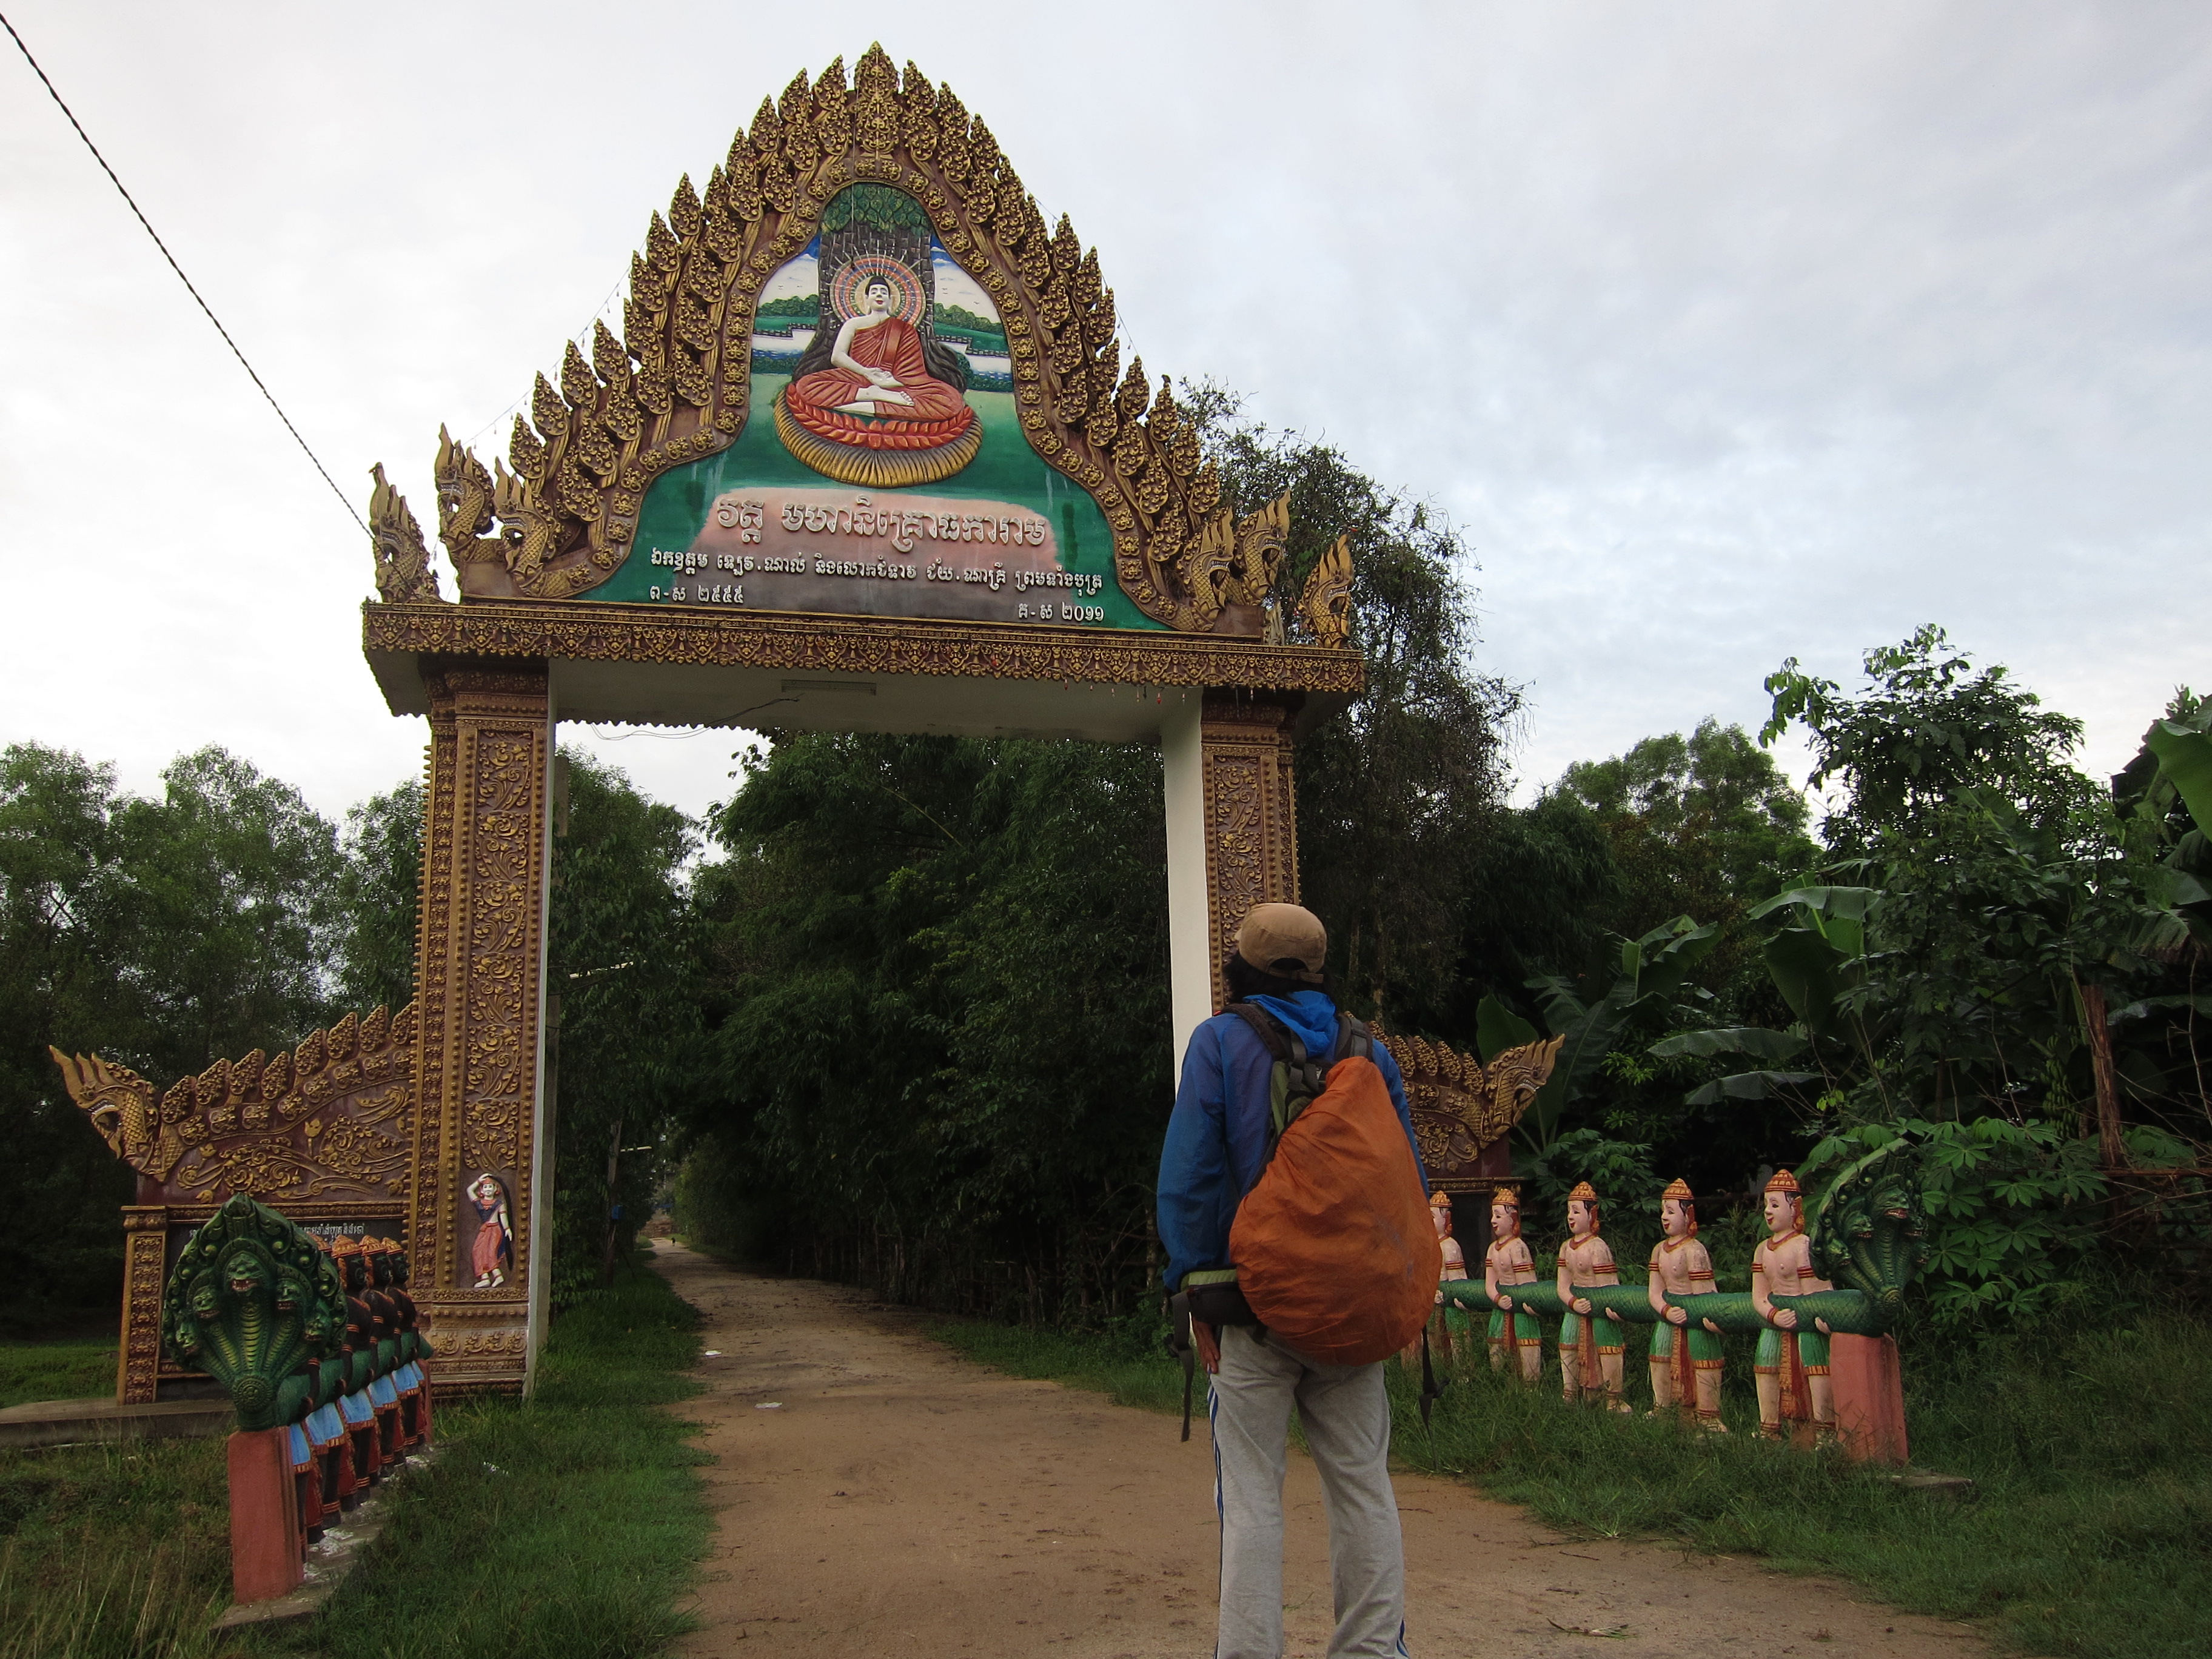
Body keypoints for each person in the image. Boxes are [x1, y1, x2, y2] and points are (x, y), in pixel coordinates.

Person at [1157, 902, 1423, 1659]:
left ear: (1243, 969)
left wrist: (1191, 1292)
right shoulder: (1371, 1053)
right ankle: (1373, 1652)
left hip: (1249, 1310)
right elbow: (1405, 1182)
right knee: (1363, 1487)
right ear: (1317, 968)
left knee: (1249, 1499)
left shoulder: (1220, 1042)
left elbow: (1191, 1180)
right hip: (1349, 1316)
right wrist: (1390, 1294)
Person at [786, 273, 976, 446]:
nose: (879, 295)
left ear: (891, 300)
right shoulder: (853, 324)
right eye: (874, 291)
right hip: (856, 376)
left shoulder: (904, 329)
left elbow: (912, 372)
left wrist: (890, 382)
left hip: (895, 384)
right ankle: (871, 396)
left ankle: (868, 401)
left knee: (951, 401)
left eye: (884, 292)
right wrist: (866, 372)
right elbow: (838, 357)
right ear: (866, 298)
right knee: (807, 386)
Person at [1751, 1169, 1835, 1441]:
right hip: (1775, 1318)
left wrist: (1818, 1318)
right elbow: (1759, 1296)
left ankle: (1823, 1432)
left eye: (1775, 1205)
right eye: (1766, 1205)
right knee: (1765, 1363)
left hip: (1806, 1319)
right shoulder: (1763, 1249)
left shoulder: (1802, 1246)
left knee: (1815, 1368)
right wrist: (1773, 1315)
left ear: (1794, 1207)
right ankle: (1769, 1428)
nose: (1768, 1212)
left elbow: (1816, 1292)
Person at [1645, 1178, 1725, 1430]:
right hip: (1669, 1315)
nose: (1664, 1217)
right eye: (1663, 1211)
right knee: (1659, 1357)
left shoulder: (1695, 1250)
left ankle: (1708, 1416)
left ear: (1688, 1214)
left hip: (1695, 1317)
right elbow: (1654, 1292)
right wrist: (1666, 1310)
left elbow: (1704, 1294)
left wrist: (1707, 1317)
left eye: (1671, 1211)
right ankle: (1663, 1408)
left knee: (1702, 1363)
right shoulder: (1659, 1250)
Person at [1555, 1181, 1629, 1412]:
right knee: (1568, 1342)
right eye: (1569, 1211)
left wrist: (1605, 1307)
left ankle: (1613, 1398)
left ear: (1592, 1214)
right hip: (1575, 1307)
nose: (1570, 1217)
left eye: (1576, 1211)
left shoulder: (1598, 1247)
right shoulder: (1566, 1247)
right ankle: (1570, 1394)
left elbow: (1609, 1286)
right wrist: (1572, 1302)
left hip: (1600, 1309)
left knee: (1606, 1348)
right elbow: (1562, 1286)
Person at [1481, 1185, 1543, 1384]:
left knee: (1526, 1347)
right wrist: (1498, 1298)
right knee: (1497, 1348)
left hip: (1520, 1308)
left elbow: (1527, 1285)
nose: (1493, 1221)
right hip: (1502, 1307)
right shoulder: (1493, 1249)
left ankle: (1530, 1387)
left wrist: (1523, 1303)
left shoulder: (1518, 1247)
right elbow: (1490, 1283)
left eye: (1498, 1216)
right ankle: (1502, 1385)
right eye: (1493, 1216)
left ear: (1513, 1219)